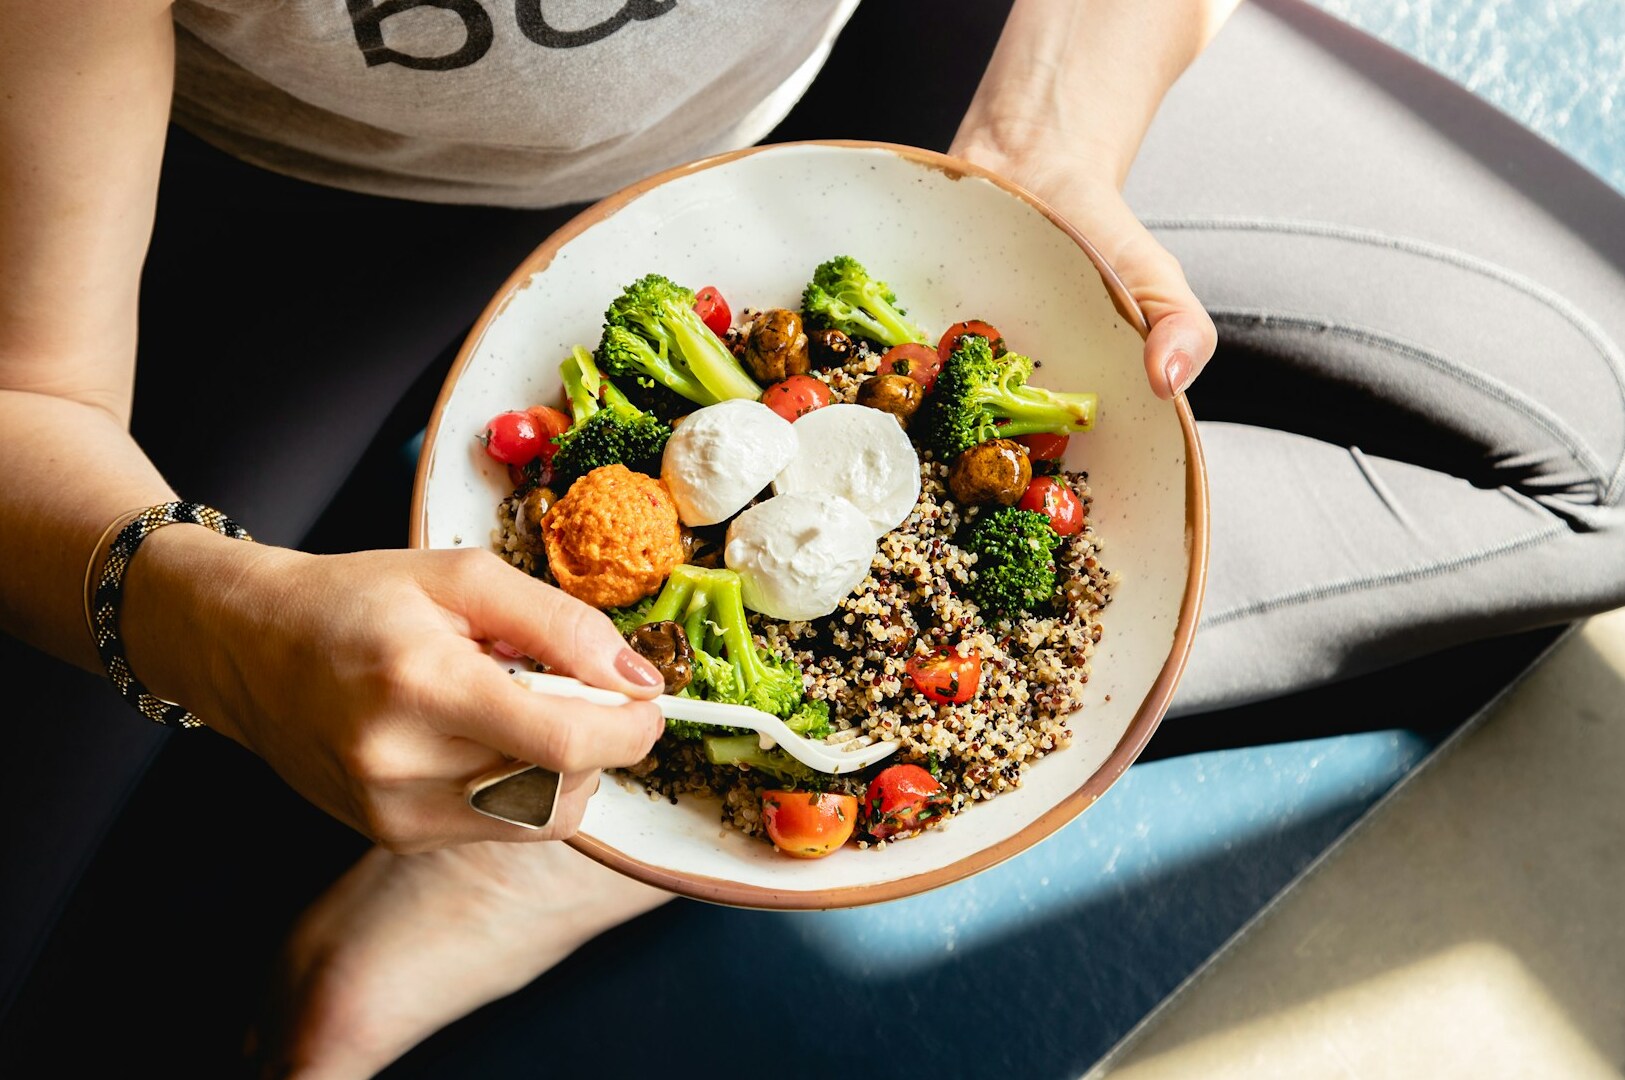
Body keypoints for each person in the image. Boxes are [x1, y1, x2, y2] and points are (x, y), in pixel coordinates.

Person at [4, 0, 1623, 1075]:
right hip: (296, 201)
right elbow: (27, 394)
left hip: (895, 51)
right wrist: (212, 620)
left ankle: (583, 859)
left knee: (1594, 457)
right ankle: (579, 798)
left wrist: (1053, 136)